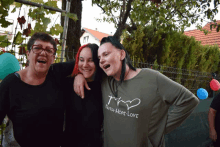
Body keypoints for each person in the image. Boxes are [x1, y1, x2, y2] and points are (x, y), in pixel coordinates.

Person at [74, 36, 200, 147]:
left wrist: (159, 129)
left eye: (106, 54)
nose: (101, 60)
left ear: (122, 54)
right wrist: (78, 75)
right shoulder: (105, 80)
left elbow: (189, 100)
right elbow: (83, 66)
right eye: (99, 57)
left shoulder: (152, 78)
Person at [0, 32, 75, 147]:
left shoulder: (56, 73)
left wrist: (79, 75)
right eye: (37, 48)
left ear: (53, 58)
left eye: (49, 50)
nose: (43, 52)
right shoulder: (10, 84)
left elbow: (84, 64)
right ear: (28, 53)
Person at [62, 43, 104, 147]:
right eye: (81, 60)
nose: (85, 65)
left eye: (90, 60)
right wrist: (78, 75)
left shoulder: (104, 86)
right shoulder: (68, 83)